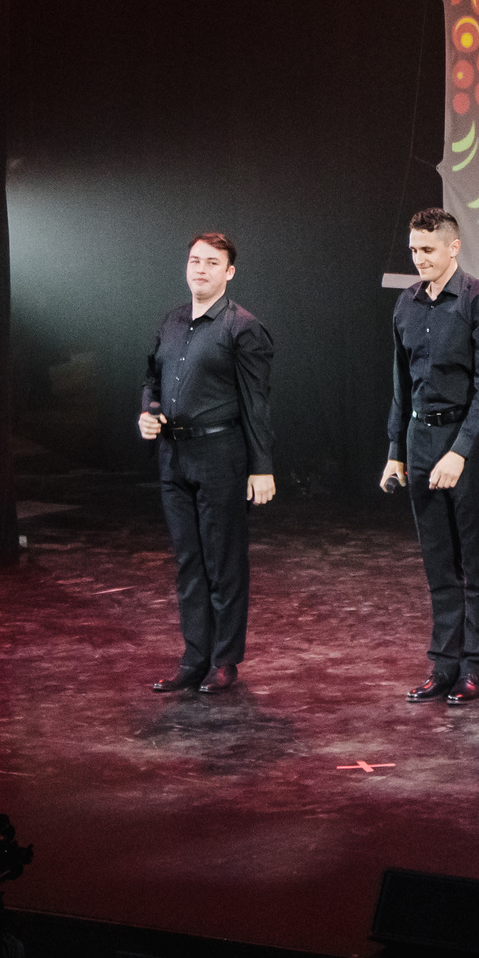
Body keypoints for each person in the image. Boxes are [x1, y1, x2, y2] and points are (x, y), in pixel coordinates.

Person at [382, 207, 479, 707]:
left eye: (428, 250)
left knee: (475, 560)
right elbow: (400, 383)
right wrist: (396, 451)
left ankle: (475, 668)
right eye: (414, 250)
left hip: (471, 441)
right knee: (438, 560)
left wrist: (460, 451)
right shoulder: (406, 305)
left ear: (453, 248)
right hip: (421, 437)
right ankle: (444, 664)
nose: (419, 259)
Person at [138, 233, 275, 695]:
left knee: (224, 561)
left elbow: (257, 403)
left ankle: (223, 661)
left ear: (228, 273)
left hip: (222, 457)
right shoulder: (173, 321)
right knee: (188, 562)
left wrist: (262, 467)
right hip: (174, 457)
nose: (200, 269)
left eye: (211, 263)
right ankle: (194, 657)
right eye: (194, 260)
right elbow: (152, 379)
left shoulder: (243, 328)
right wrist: (147, 412)